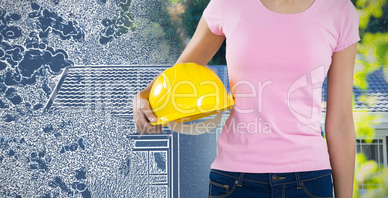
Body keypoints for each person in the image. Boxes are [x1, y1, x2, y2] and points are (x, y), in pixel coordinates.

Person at [133, 0, 360, 197]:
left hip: (310, 182)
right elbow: (178, 78)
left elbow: (340, 124)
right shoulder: (228, 4)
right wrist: (142, 98)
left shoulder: (339, 11)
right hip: (235, 182)